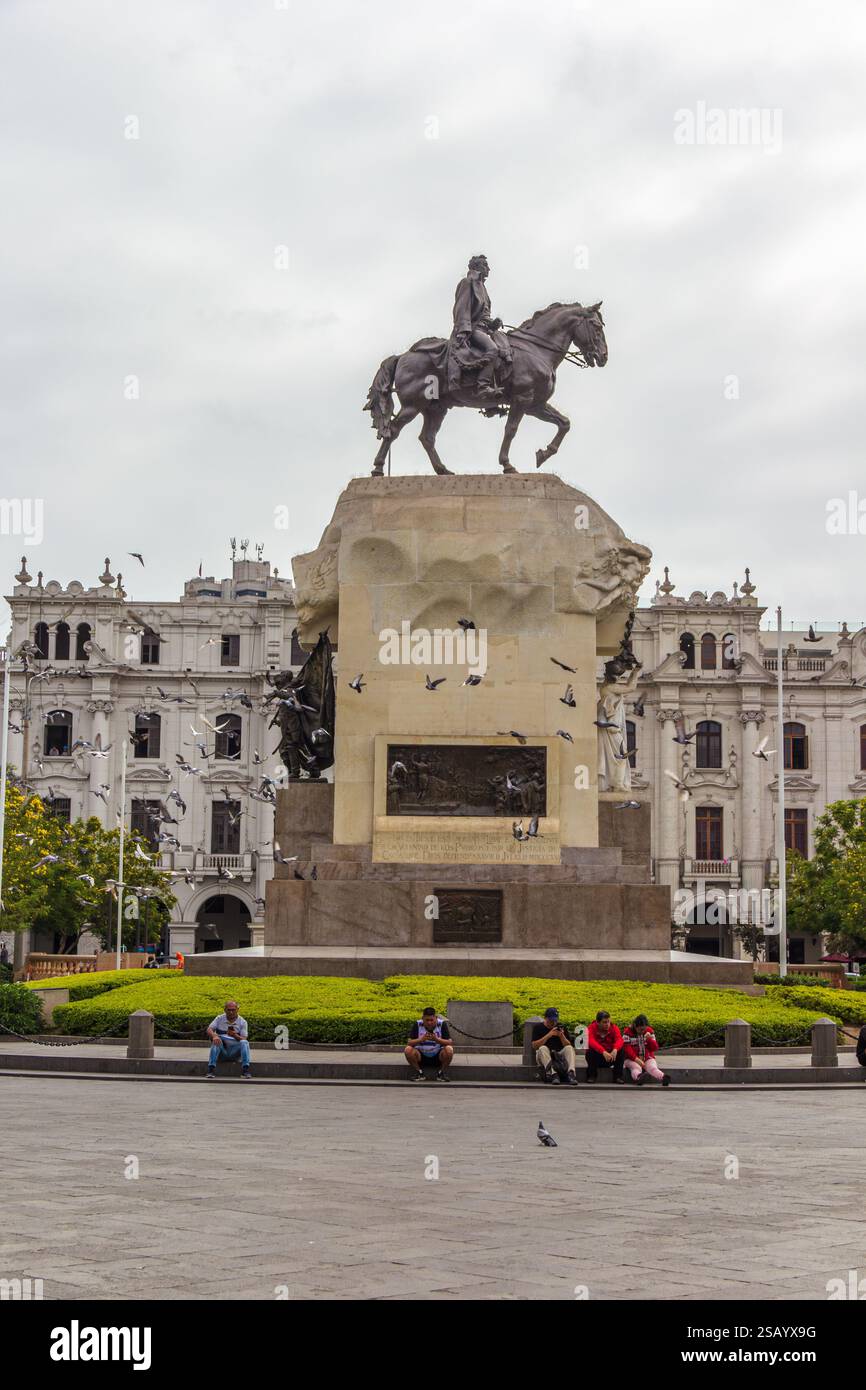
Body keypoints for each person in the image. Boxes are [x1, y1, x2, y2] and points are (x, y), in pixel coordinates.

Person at [405, 1007, 454, 1082]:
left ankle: (441, 1073)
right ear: (422, 1018)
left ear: (436, 1018)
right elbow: (409, 1042)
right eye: (427, 1020)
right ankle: (419, 1073)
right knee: (408, 1049)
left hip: (438, 1056)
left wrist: (437, 1039)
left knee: (449, 1049)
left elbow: (450, 1042)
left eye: (432, 1020)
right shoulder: (417, 1024)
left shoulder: (442, 1024)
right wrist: (421, 1039)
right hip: (421, 1056)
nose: (429, 1023)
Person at [531, 1007, 579, 1085]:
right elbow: (535, 1046)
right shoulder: (538, 1027)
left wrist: (561, 1036)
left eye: (555, 1020)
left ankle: (571, 1074)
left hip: (558, 1055)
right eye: (551, 1020)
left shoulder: (561, 1027)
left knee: (569, 1048)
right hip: (545, 1056)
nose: (553, 1023)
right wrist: (548, 1035)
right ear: (545, 1018)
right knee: (542, 1048)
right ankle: (553, 1074)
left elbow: (568, 1045)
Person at [621, 1014, 672, 1087]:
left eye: (644, 1029)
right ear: (635, 1026)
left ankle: (663, 1077)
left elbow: (655, 1048)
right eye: (641, 1029)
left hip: (647, 1057)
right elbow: (627, 1050)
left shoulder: (649, 1032)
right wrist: (637, 1060)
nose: (643, 1031)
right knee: (636, 1067)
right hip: (631, 1059)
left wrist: (650, 1040)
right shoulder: (627, 1033)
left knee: (652, 1067)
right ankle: (638, 1077)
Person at [206, 1000, 251, 1079]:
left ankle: (245, 1070)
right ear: (225, 1010)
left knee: (244, 1042)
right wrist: (214, 1036)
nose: (231, 1012)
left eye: (233, 1010)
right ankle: (211, 1070)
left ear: (237, 1010)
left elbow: (244, 1038)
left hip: (235, 1053)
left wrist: (235, 1035)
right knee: (216, 1041)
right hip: (222, 1052)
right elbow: (209, 1029)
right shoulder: (219, 1018)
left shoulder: (242, 1022)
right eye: (229, 1010)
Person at [585, 1009, 625, 1083]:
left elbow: (619, 1039)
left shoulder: (614, 1028)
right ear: (597, 1022)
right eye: (604, 1022)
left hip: (611, 1057)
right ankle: (592, 1076)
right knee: (589, 1050)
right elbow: (590, 1041)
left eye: (608, 1022)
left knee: (621, 1050)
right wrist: (603, 1051)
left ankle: (618, 1077)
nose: (607, 1024)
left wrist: (615, 1049)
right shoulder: (591, 1028)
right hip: (597, 1057)